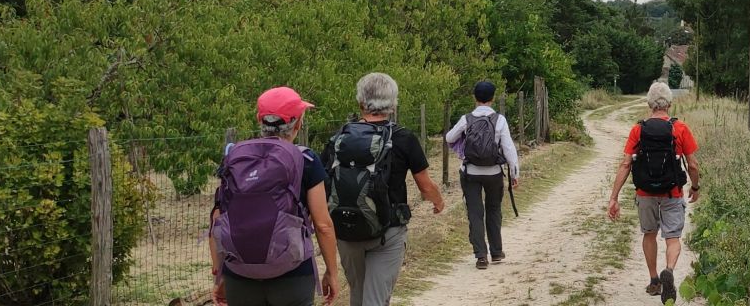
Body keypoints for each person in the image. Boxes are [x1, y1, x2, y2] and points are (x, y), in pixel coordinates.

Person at [210, 87, 341, 306]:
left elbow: (217, 218)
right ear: (298, 123)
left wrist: (220, 274)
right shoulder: (306, 161)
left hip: (240, 275)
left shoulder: (236, 159)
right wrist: (332, 273)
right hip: (292, 273)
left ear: (259, 120)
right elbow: (323, 225)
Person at [324, 72, 446, 306]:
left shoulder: (339, 138)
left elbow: (322, 183)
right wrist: (438, 202)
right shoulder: (403, 138)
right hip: (388, 231)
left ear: (361, 103)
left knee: (357, 296)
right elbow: (425, 185)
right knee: (376, 300)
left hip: (346, 230)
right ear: (392, 105)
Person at [606, 82, 702, 303]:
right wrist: (695, 188)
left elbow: (625, 164)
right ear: (669, 103)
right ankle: (668, 269)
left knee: (649, 233)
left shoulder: (638, 129)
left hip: (645, 192)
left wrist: (614, 198)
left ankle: (654, 280)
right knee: (673, 237)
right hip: (672, 193)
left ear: (649, 103)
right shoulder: (680, 129)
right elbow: (694, 165)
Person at [444, 80, 521, 269]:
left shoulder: (466, 119)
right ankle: (496, 252)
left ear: (474, 98)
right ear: (493, 98)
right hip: (494, 172)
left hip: (470, 172)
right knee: (494, 211)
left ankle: (480, 256)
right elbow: (509, 148)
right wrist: (514, 173)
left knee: (475, 213)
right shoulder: (500, 120)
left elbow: (449, 138)